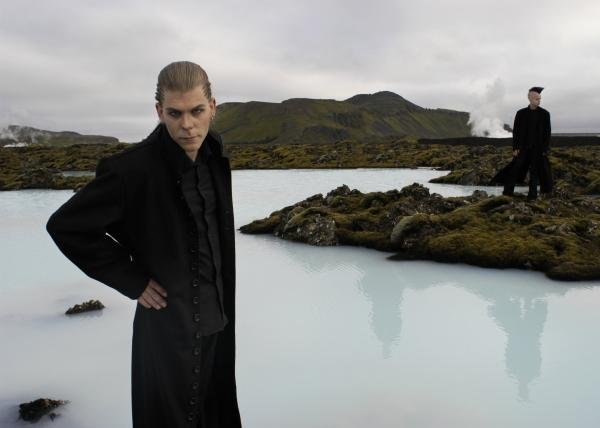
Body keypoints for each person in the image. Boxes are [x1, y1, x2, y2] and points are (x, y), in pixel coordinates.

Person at [46, 61, 242, 428]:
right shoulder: (130, 170)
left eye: (197, 111)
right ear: (159, 111)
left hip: (218, 319)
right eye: (175, 113)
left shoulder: (214, 154)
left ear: (213, 107)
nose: (187, 125)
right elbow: (67, 227)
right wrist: (131, 279)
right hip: (168, 328)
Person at [501, 86, 553, 200]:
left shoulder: (545, 114)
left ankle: (532, 196)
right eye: (536, 99)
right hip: (523, 148)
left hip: (537, 149)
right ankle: (507, 193)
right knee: (514, 170)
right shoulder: (520, 113)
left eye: (540, 99)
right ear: (529, 98)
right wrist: (515, 148)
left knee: (535, 172)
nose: (539, 101)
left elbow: (547, 133)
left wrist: (545, 149)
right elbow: (516, 132)